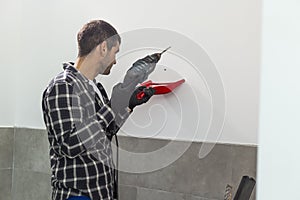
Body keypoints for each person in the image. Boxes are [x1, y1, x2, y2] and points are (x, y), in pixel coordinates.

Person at [42, 19, 155, 200]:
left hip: (101, 193)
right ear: (103, 48)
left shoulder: (95, 87)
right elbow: (69, 144)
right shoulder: (63, 86)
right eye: (114, 52)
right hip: (77, 195)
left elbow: (104, 133)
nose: (115, 61)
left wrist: (128, 106)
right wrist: (110, 106)